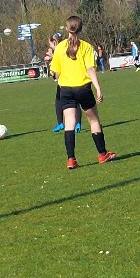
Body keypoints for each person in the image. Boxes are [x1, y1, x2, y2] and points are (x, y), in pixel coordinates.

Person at [50, 15, 115, 169]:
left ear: (67, 28)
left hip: (65, 89)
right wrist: (98, 88)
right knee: (93, 120)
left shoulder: (60, 47)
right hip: (83, 88)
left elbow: (55, 73)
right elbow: (90, 69)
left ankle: (71, 159)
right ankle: (102, 154)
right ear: (80, 28)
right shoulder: (86, 46)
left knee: (69, 122)